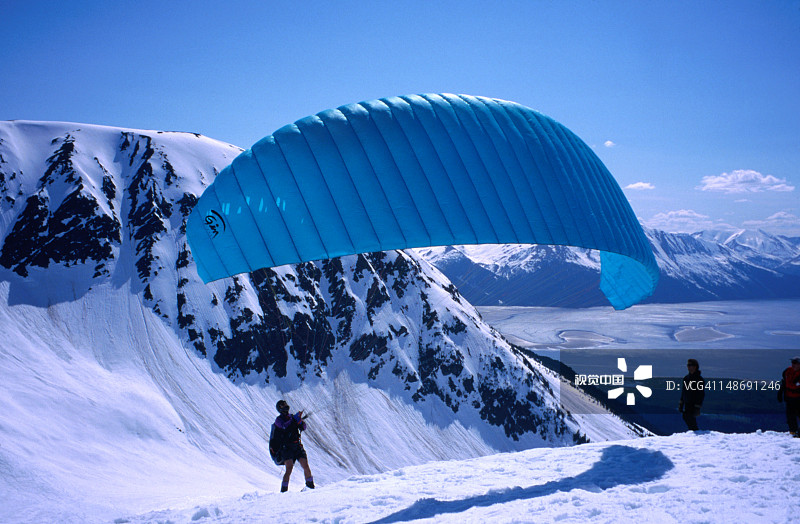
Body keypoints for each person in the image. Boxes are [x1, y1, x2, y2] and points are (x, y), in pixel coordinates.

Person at [269, 399, 315, 492]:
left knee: (305, 465)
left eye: (285, 404)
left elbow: (304, 427)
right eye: (283, 405)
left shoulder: (292, 417)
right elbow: (284, 426)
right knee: (289, 468)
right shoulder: (278, 420)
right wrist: (294, 420)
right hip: (286, 448)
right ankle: (284, 490)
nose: (285, 406)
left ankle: (311, 486)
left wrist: (300, 422)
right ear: (279, 409)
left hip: (297, 445)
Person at [679, 358, 705, 431]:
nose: (689, 367)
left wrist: (697, 406)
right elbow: (683, 391)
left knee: (689, 419)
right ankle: (694, 434)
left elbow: (701, 394)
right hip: (687, 402)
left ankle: (696, 434)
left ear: (696, 367)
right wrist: (681, 403)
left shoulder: (699, 379)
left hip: (694, 404)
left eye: (691, 365)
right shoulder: (686, 378)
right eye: (688, 365)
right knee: (686, 417)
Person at [778, 357, 800, 437]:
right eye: (792, 363)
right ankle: (793, 432)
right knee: (790, 416)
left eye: (795, 363)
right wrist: (780, 392)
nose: (793, 364)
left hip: (798, 399)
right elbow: (784, 383)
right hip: (789, 398)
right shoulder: (787, 371)